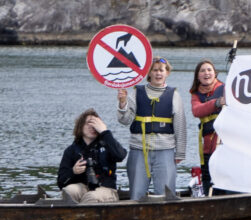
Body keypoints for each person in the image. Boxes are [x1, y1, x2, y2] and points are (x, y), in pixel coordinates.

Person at [116, 58, 193, 201]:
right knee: (136, 194)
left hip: (165, 150)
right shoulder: (135, 92)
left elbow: (180, 125)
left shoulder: (174, 95)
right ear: (149, 73)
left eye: (161, 70)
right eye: (155, 70)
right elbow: (124, 120)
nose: (158, 73)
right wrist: (122, 103)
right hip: (139, 149)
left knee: (166, 194)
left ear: (167, 73)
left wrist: (180, 153)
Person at [57, 110, 124, 204]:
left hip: (106, 189)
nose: (92, 127)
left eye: (95, 124)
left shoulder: (107, 144)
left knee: (91, 197)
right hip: (83, 187)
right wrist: (73, 171)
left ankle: (79, 218)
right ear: (80, 127)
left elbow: (120, 156)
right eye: (88, 123)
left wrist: (105, 132)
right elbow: (61, 182)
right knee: (69, 191)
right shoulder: (71, 150)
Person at [189, 59, 224, 195]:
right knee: (207, 177)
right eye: (202, 71)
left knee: (223, 176)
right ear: (198, 76)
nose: (206, 73)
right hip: (207, 145)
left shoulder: (225, 89)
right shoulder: (195, 94)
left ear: (215, 73)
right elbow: (197, 111)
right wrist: (216, 103)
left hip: (223, 143)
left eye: (209, 70)